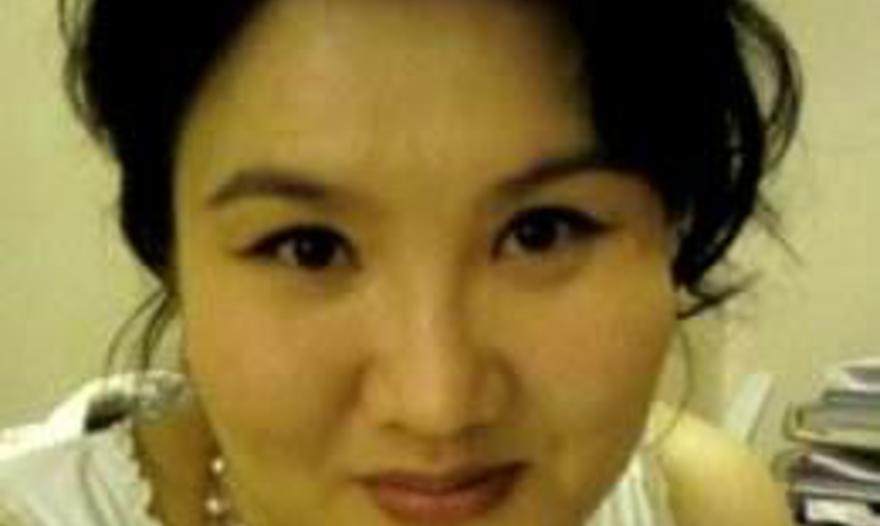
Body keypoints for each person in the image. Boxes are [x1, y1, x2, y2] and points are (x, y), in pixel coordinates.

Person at [0, 0, 801, 524]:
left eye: (543, 231)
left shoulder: (707, 505)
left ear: (675, 225)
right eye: (309, 247)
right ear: (172, 254)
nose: (437, 406)